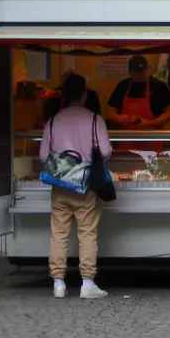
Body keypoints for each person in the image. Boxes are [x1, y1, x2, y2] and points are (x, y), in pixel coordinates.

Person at [41, 74, 111, 299]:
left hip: (60, 184)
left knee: (59, 234)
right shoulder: (94, 120)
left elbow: (44, 155)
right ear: (84, 93)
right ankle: (87, 283)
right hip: (86, 185)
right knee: (87, 233)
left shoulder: (53, 121)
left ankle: (58, 283)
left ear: (63, 93)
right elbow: (107, 151)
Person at [108, 55, 170, 130]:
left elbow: (169, 115)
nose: (138, 75)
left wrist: (149, 123)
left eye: (141, 71)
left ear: (147, 68)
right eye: (135, 72)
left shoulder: (159, 86)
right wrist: (120, 118)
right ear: (130, 72)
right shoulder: (123, 86)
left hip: (153, 137)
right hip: (128, 137)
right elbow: (111, 113)